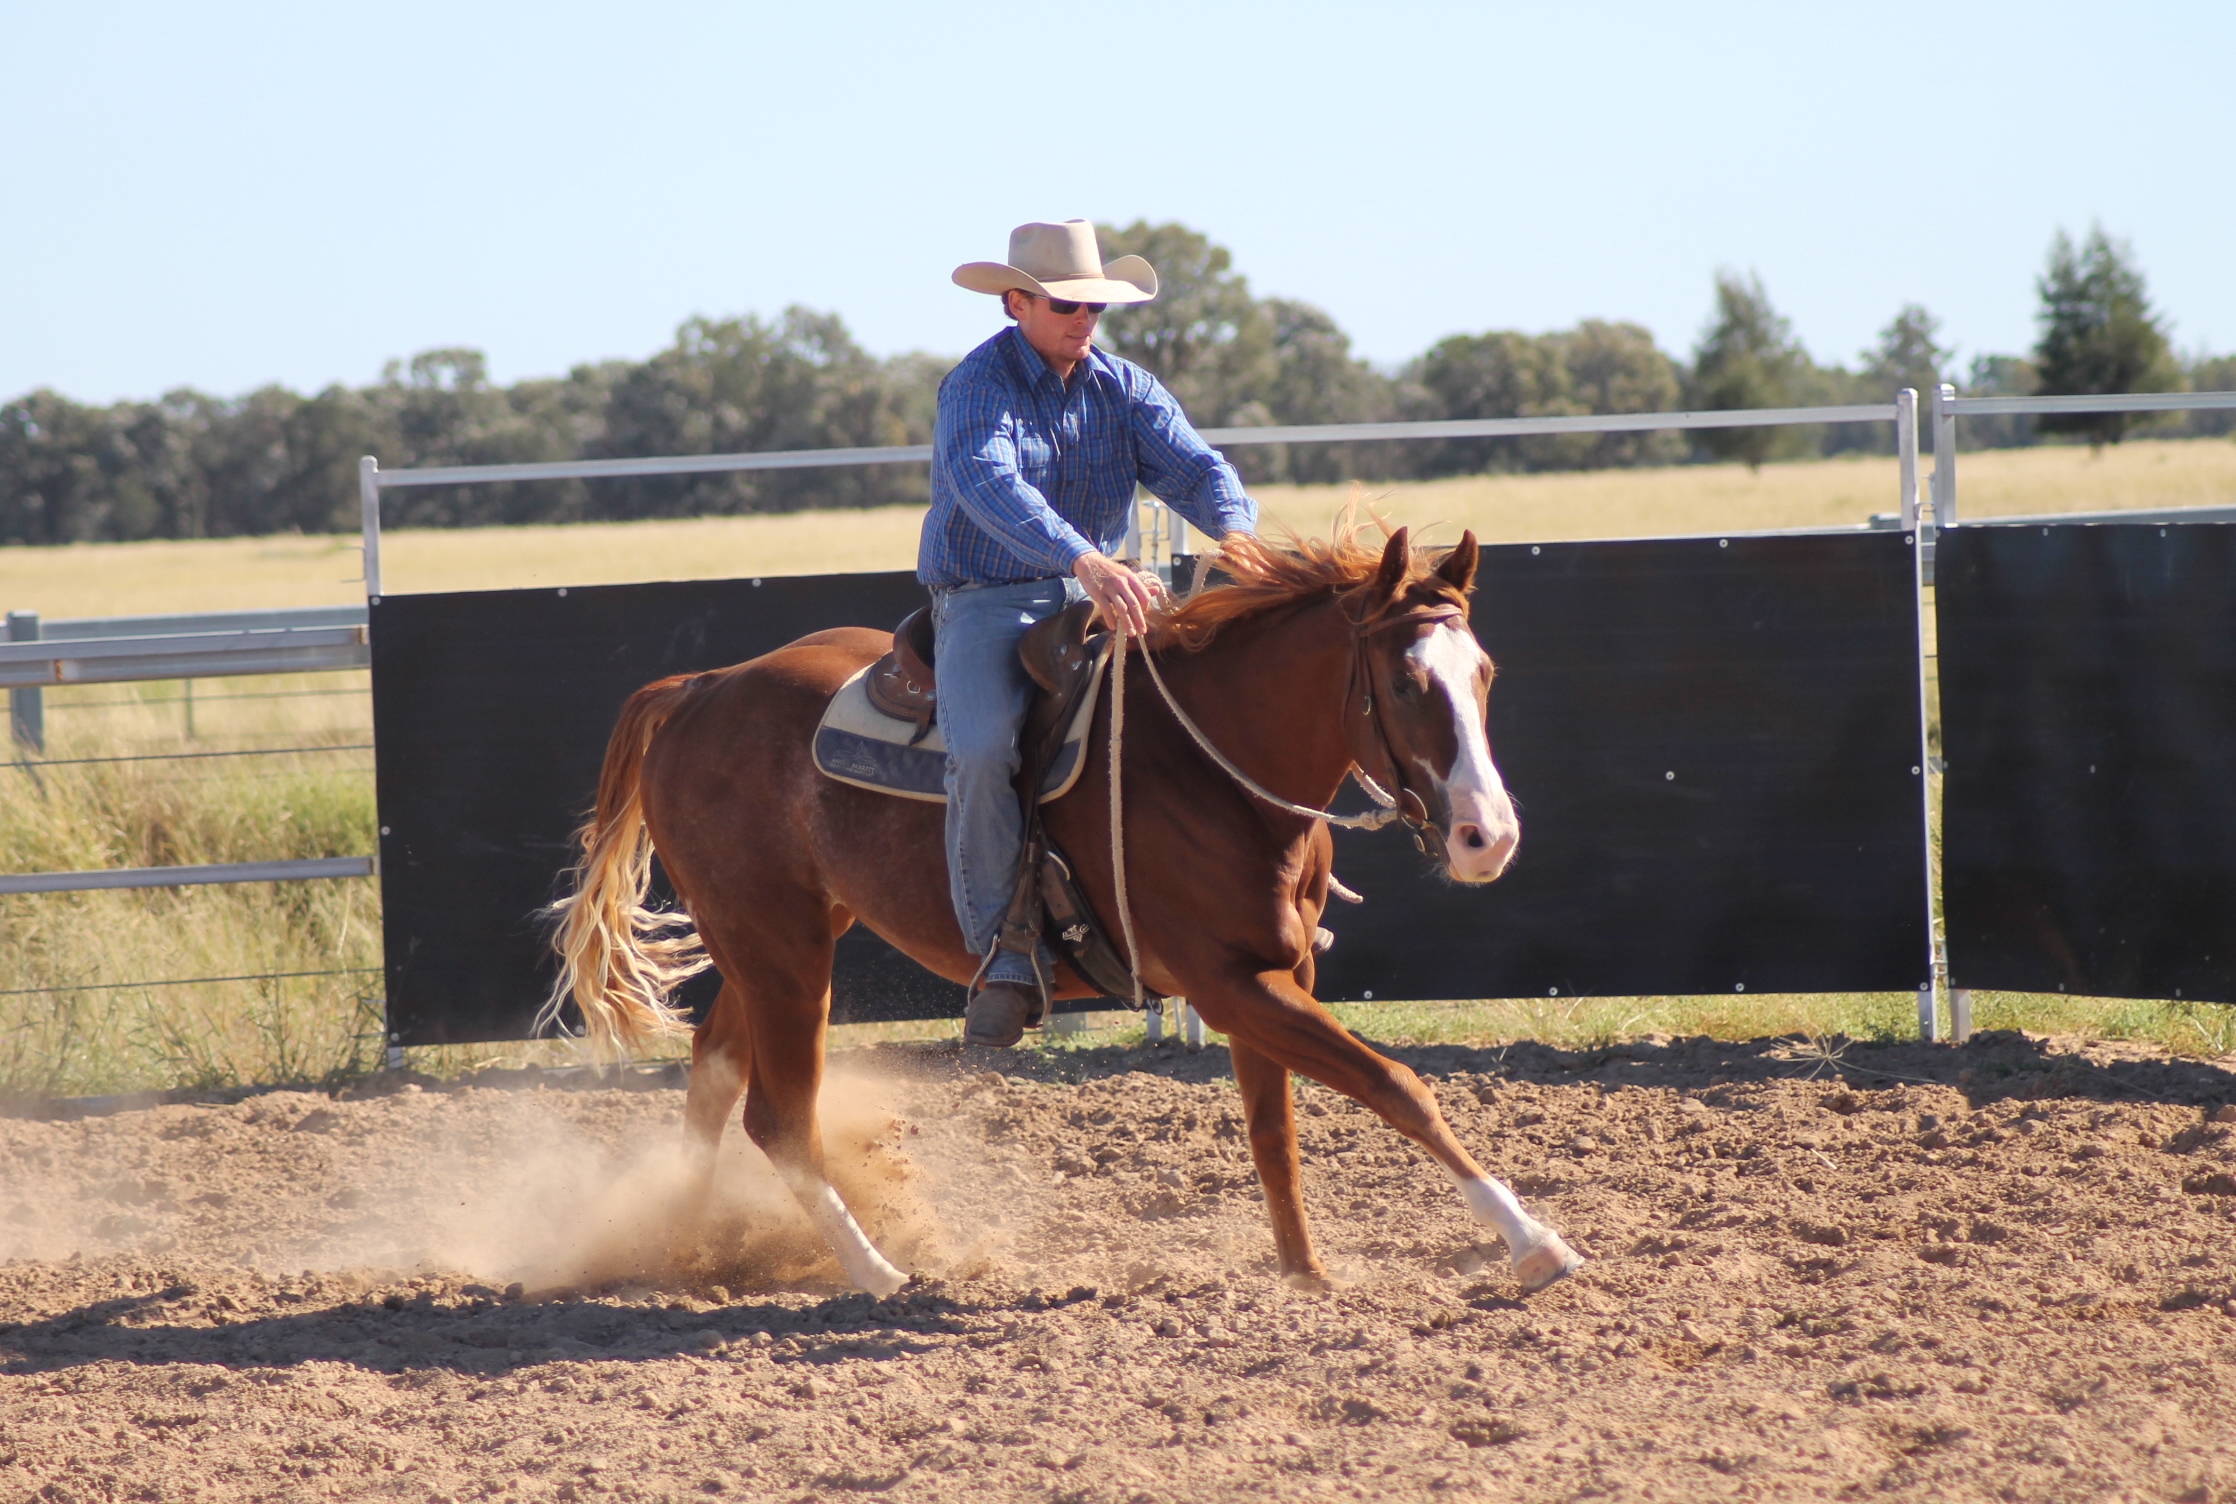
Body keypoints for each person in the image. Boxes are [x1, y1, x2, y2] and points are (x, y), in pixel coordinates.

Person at [924, 219, 1256, 1048]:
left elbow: (1196, 467)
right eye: (1066, 305)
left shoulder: (1126, 387)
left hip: (1103, 591)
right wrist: (1084, 559)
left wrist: (1234, 529)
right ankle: (1005, 953)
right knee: (982, 750)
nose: (1084, 320)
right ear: (1016, 303)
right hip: (991, 599)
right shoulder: (977, 385)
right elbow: (985, 480)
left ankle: (1243, 904)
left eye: (1094, 307)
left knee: (1209, 713)